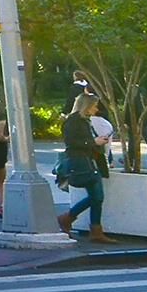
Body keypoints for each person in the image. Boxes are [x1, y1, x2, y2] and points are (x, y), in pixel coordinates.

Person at [58, 93, 112, 241]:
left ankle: (94, 230)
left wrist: (95, 141)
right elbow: (72, 143)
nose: (96, 110)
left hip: (89, 160)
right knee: (97, 196)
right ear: (86, 106)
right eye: (94, 106)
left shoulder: (82, 120)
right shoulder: (74, 121)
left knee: (97, 197)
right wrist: (94, 141)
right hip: (82, 161)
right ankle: (69, 218)